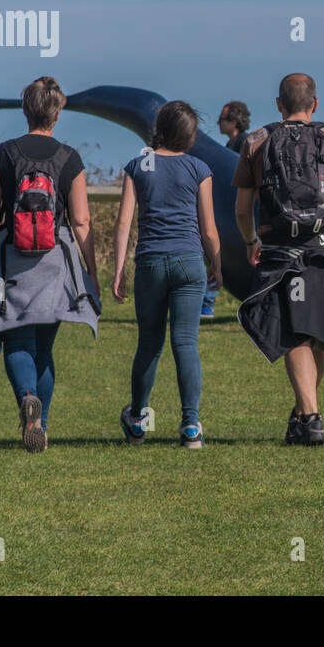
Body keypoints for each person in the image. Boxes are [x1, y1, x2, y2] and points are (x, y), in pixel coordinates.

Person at [234, 74, 324, 446]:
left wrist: (251, 241)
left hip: (282, 252)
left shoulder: (255, 142)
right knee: (320, 335)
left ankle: (309, 417)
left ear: (278, 104)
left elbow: (242, 208)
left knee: (295, 333)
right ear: (314, 104)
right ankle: (305, 414)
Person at [0, 76, 101, 453]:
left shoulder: (4, 153)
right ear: (57, 113)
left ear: (25, 109)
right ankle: (40, 423)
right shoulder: (70, 157)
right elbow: (80, 221)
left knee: (16, 338)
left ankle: (27, 398)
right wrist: (91, 271)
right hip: (56, 257)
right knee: (44, 348)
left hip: (13, 255)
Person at [113, 101, 220, 449]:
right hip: (190, 262)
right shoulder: (199, 168)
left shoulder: (137, 166)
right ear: (189, 136)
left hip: (151, 262)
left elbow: (124, 223)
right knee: (186, 343)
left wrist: (118, 271)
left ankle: (138, 421)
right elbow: (208, 229)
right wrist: (216, 264)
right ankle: (191, 425)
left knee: (149, 344)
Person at [202, 101, 251, 318]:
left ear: (234, 120)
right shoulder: (231, 146)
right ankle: (206, 303)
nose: (217, 123)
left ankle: (207, 303)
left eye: (222, 119)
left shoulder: (244, 144)